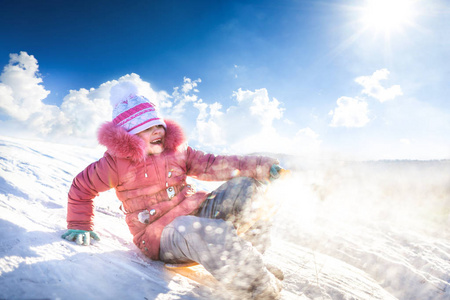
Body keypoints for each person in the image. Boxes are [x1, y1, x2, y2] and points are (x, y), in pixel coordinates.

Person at [62, 81, 286, 299]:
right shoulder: (115, 164)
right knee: (193, 227)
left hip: (195, 214)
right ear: (130, 135)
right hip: (160, 236)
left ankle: (251, 259)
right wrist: (79, 224)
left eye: (158, 125)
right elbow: (82, 187)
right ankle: (261, 290)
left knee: (246, 186)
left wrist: (261, 167)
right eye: (146, 128)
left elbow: (213, 164)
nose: (157, 131)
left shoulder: (177, 152)